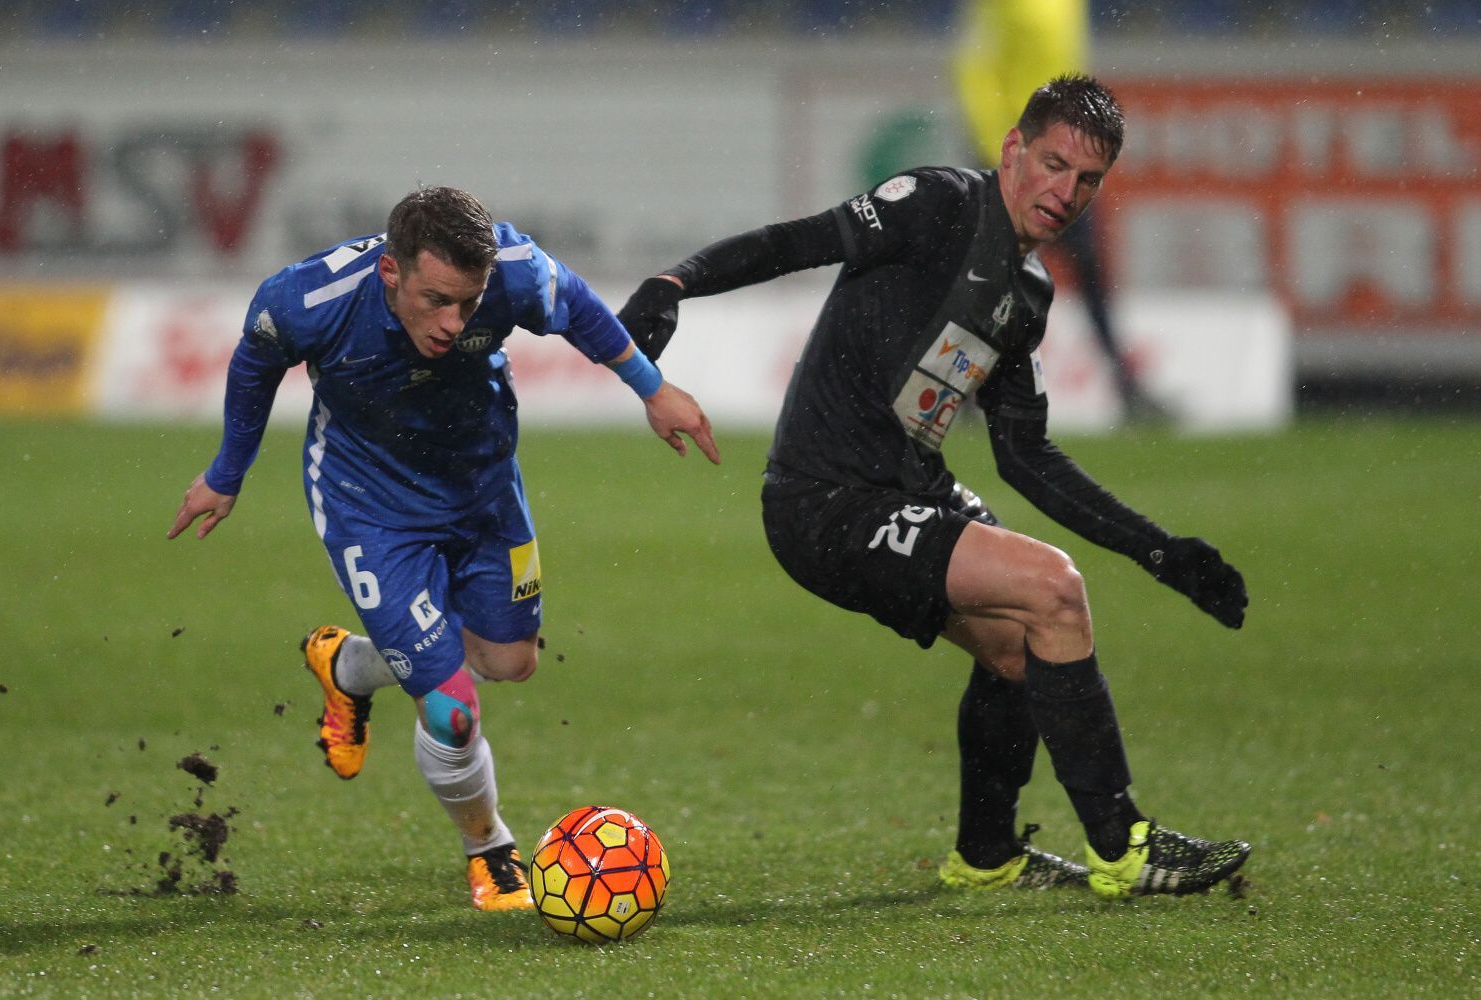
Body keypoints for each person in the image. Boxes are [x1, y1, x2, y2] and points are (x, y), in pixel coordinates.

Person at [616, 75, 1250, 898]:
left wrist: (1158, 550)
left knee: (1022, 648)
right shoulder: (938, 204)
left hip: (907, 491)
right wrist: (675, 283)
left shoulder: (1028, 296)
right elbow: (797, 241)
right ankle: (1124, 847)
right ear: (1013, 150)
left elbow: (1027, 458)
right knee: (1054, 591)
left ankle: (985, 858)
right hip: (826, 501)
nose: (1065, 192)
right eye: (1053, 163)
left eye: (1087, 180)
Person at [169, 186, 719, 911]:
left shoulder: (514, 269)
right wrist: (226, 472)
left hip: (485, 489)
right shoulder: (307, 299)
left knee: (509, 662)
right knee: (453, 709)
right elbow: (254, 364)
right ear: (391, 274)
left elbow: (579, 306)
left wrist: (652, 387)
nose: (455, 323)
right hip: (371, 509)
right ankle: (489, 850)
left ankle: (350, 666)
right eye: (437, 301)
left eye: (470, 302)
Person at [953, 0, 1167, 421]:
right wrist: (1001, 145)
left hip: (1061, 152)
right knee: (996, 276)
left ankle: (1125, 388)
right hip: (1021, 156)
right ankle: (953, 390)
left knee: (1078, 271)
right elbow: (974, 68)